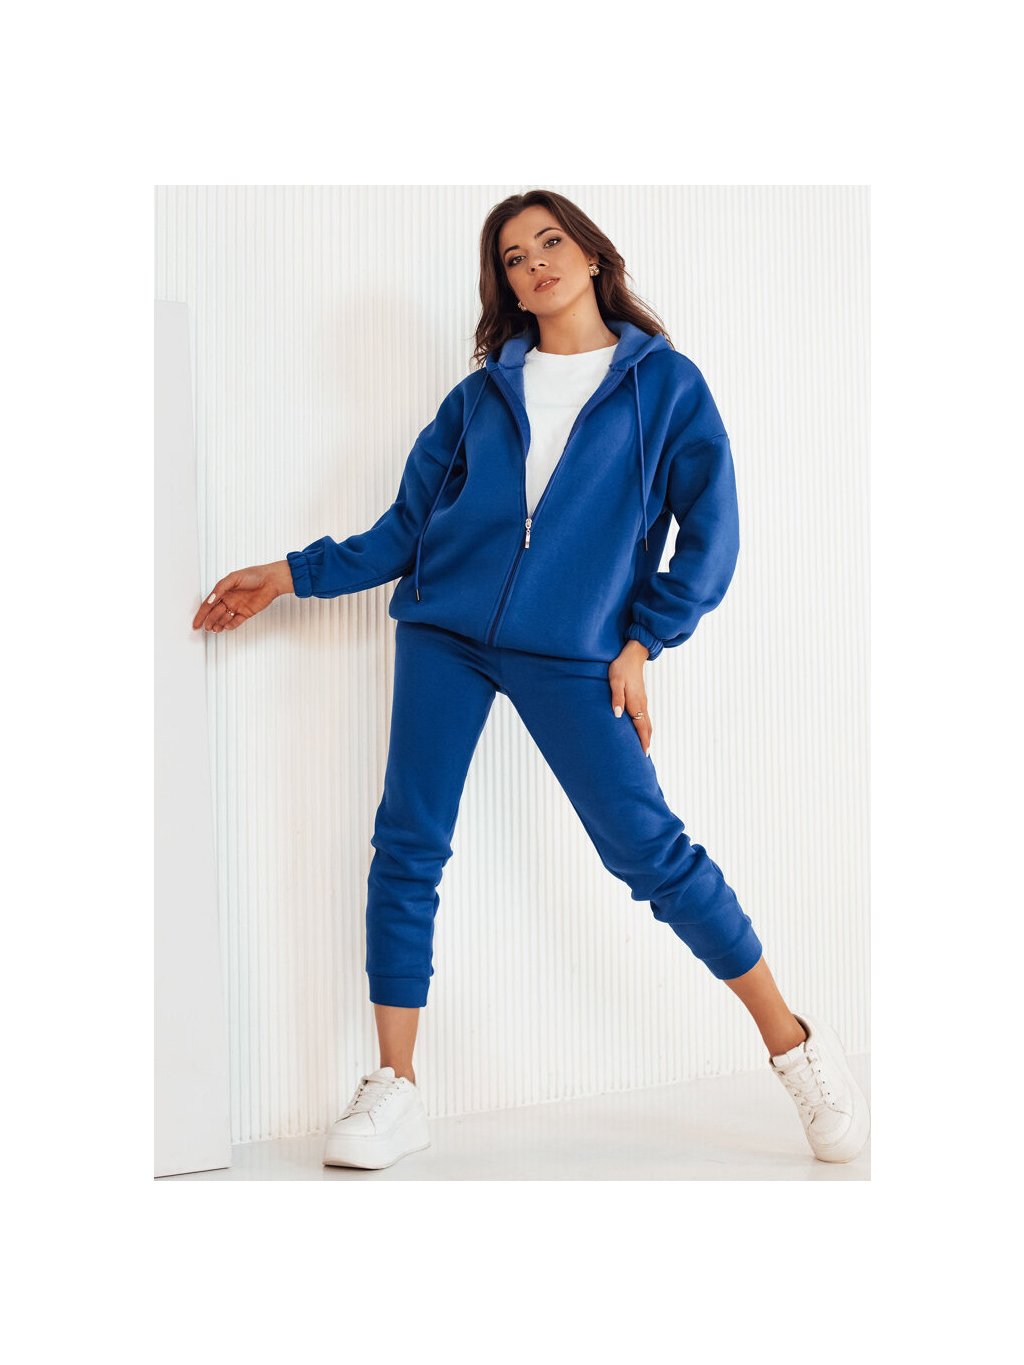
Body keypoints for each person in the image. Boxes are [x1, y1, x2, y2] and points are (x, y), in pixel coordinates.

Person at [191, 189, 870, 1172]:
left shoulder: (665, 386)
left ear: (592, 257)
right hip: (445, 634)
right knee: (408, 843)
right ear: (505, 285)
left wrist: (643, 642)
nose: (536, 262)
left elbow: (711, 534)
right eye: (514, 257)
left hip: (575, 650)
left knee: (650, 854)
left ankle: (795, 1046)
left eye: (551, 242)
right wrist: (291, 574)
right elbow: (404, 530)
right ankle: (396, 1086)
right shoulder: (478, 399)